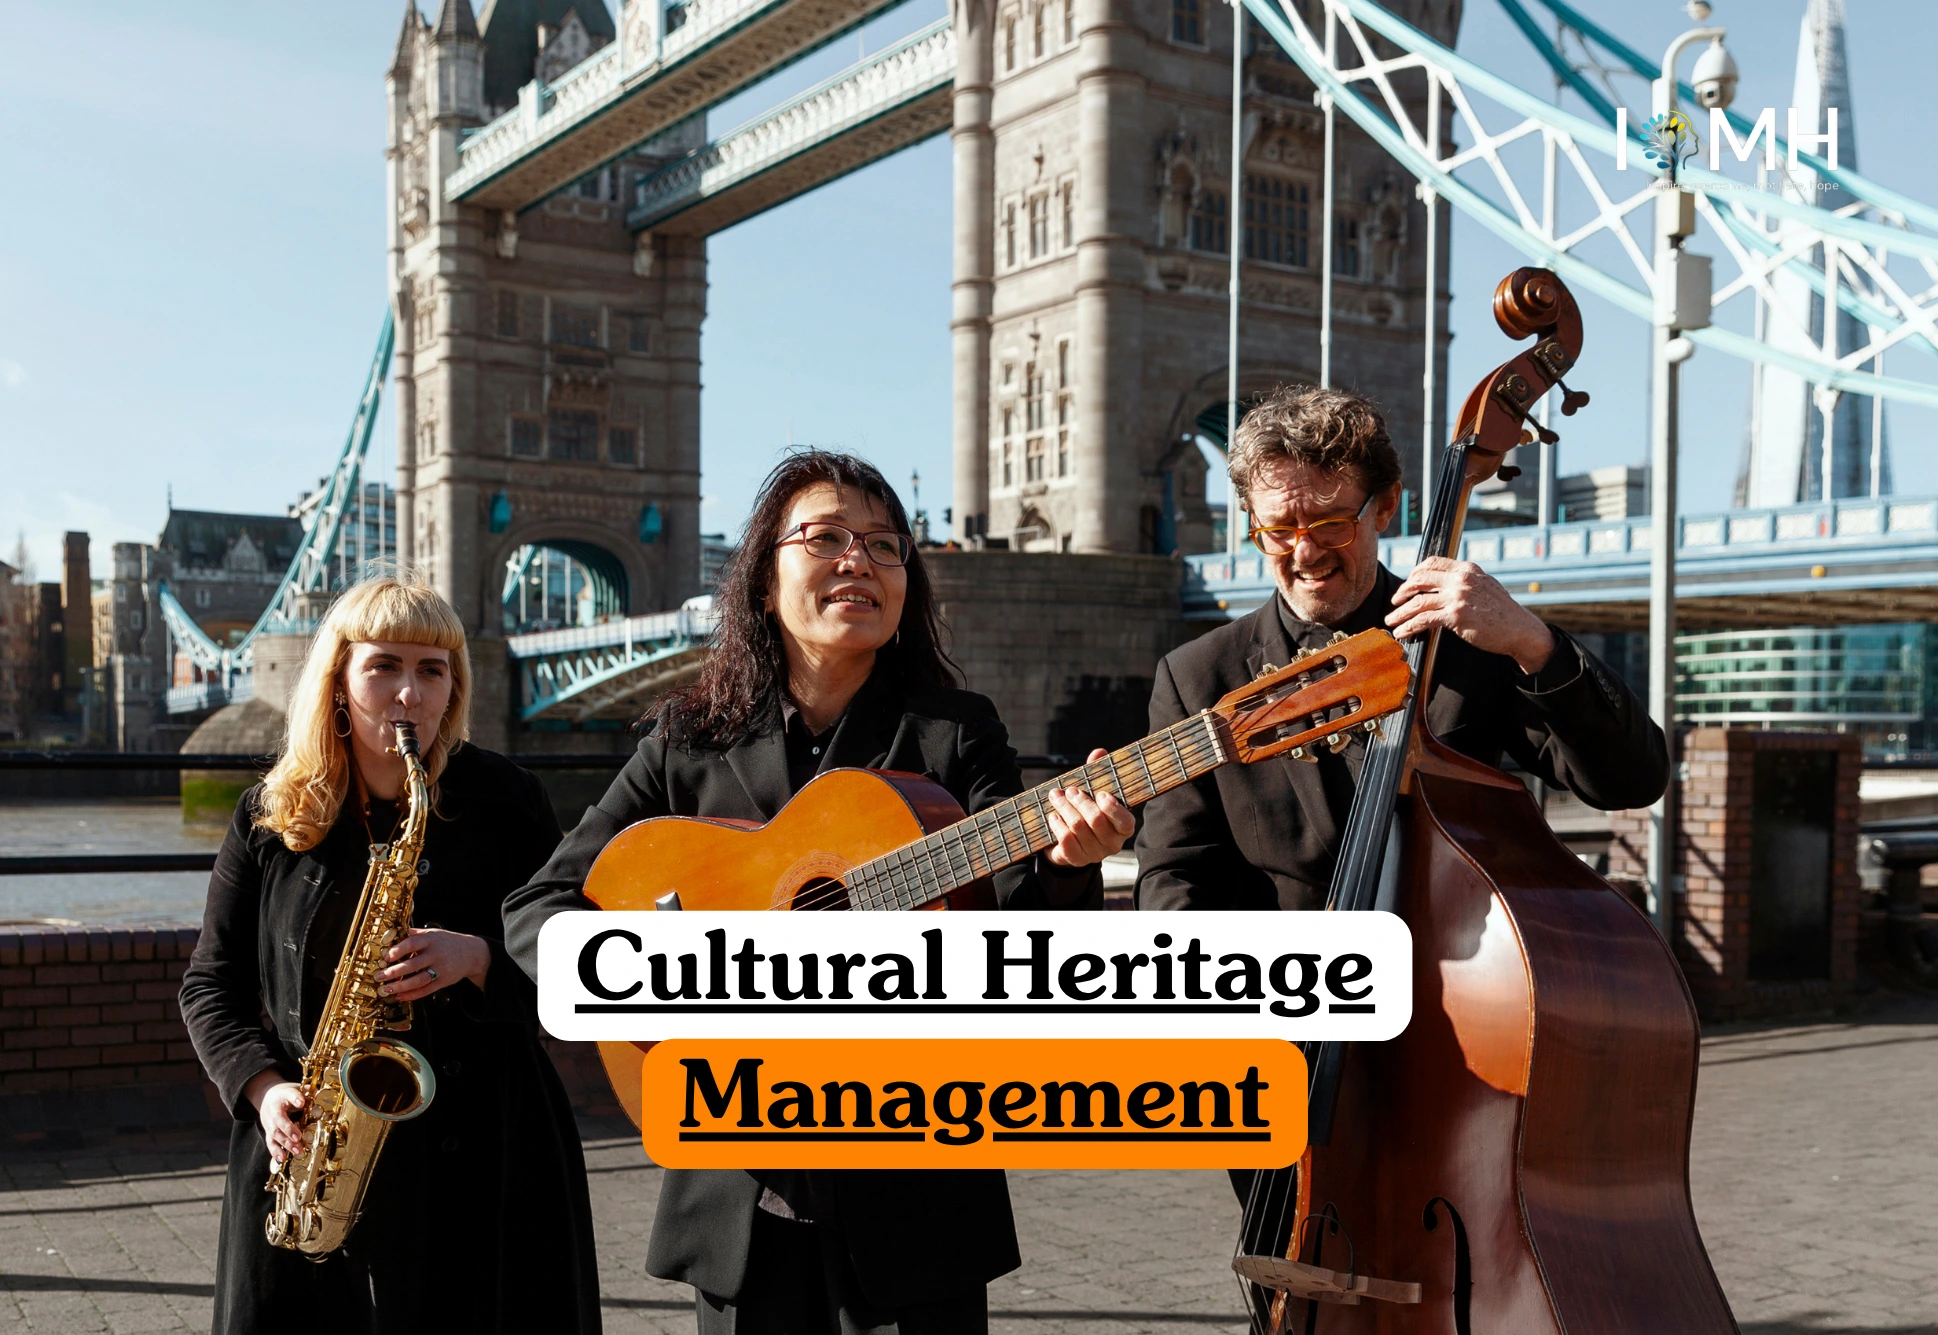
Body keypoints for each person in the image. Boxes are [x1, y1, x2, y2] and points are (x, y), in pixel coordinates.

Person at [502, 449, 1134, 1335]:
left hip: (915, 1200)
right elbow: (537, 908)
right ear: (763, 580)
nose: (859, 562)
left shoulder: (958, 735)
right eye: (826, 537)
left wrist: (1071, 863)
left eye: (884, 546)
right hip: (735, 1198)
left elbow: (1027, 953)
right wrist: (657, 980)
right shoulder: (691, 736)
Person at [180, 577, 599, 1335]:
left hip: (487, 1151)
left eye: (433, 670)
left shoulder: (509, 801)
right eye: (384, 667)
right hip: (311, 1146)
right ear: (338, 679)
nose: (409, 693)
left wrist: (479, 958)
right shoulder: (271, 816)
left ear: (454, 688)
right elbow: (211, 984)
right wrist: (264, 1089)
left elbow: (579, 966)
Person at [1136, 383, 1668, 909]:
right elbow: (1175, 870)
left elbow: (1631, 781)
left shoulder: (1468, 640)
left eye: (1331, 524)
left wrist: (1535, 643)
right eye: (1277, 530)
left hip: (1465, 985)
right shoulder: (1197, 676)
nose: (1304, 552)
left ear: (1386, 506)